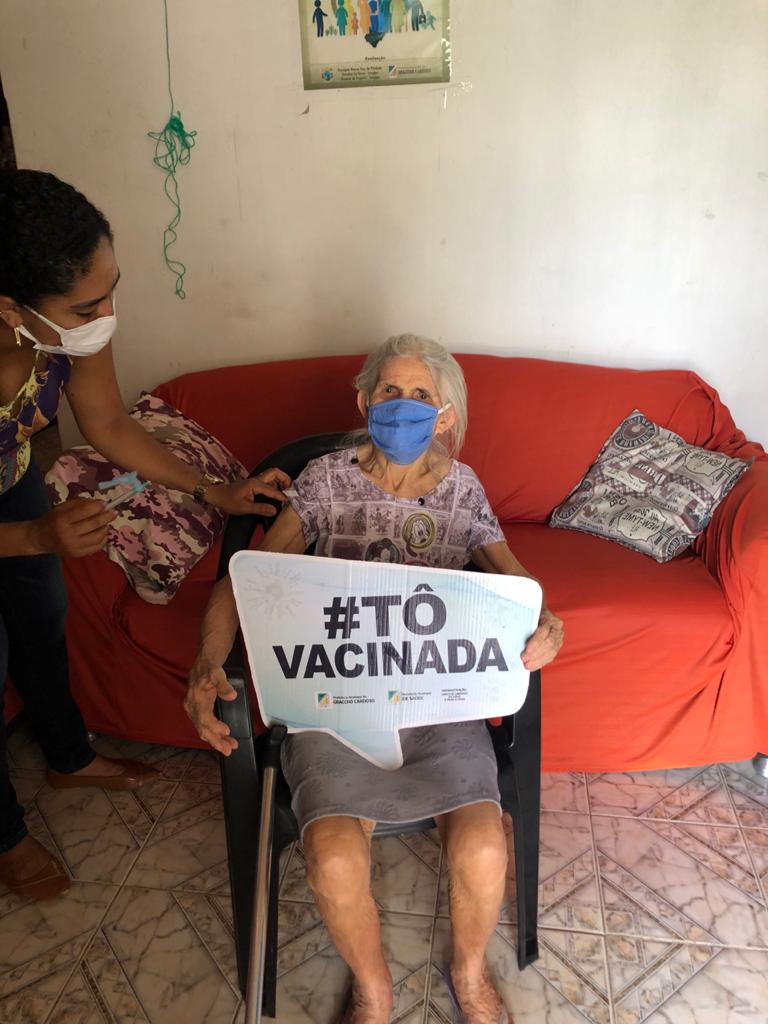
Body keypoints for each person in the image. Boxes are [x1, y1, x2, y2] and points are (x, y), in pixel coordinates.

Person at [185, 335, 564, 1024]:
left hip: (438, 700)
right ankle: (373, 987)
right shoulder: (326, 480)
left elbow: (517, 586)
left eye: (422, 395)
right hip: (337, 697)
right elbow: (245, 583)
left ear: (446, 414)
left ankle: (469, 971)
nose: (404, 406)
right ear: (364, 401)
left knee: (484, 845)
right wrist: (208, 663)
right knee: (331, 857)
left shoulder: (462, 488)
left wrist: (547, 624)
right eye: (390, 390)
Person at [0, 169, 288, 901]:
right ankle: (3, 835)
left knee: (43, 619)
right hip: (17, 518)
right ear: (9, 308)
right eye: (86, 306)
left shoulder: (64, 334)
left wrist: (210, 489)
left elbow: (109, 424)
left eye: (112, 290)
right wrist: (33, 538)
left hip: (12, 477)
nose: (105, 314)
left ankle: (68, 757)